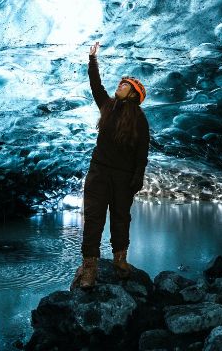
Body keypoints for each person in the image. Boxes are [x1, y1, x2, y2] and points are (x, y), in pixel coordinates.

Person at [71, 41, 150, 290]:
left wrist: (138, 176)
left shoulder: (139, 119)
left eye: (125, 85)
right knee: (93, 218)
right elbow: (96, 85)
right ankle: (90, 267)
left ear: (135, 94)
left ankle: (120, 259)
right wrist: (93, 60)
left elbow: (142, 151)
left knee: (120, 218)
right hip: (99, 172)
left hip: (123, 177)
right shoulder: (106, 106)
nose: (120, 85)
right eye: (121, 83)